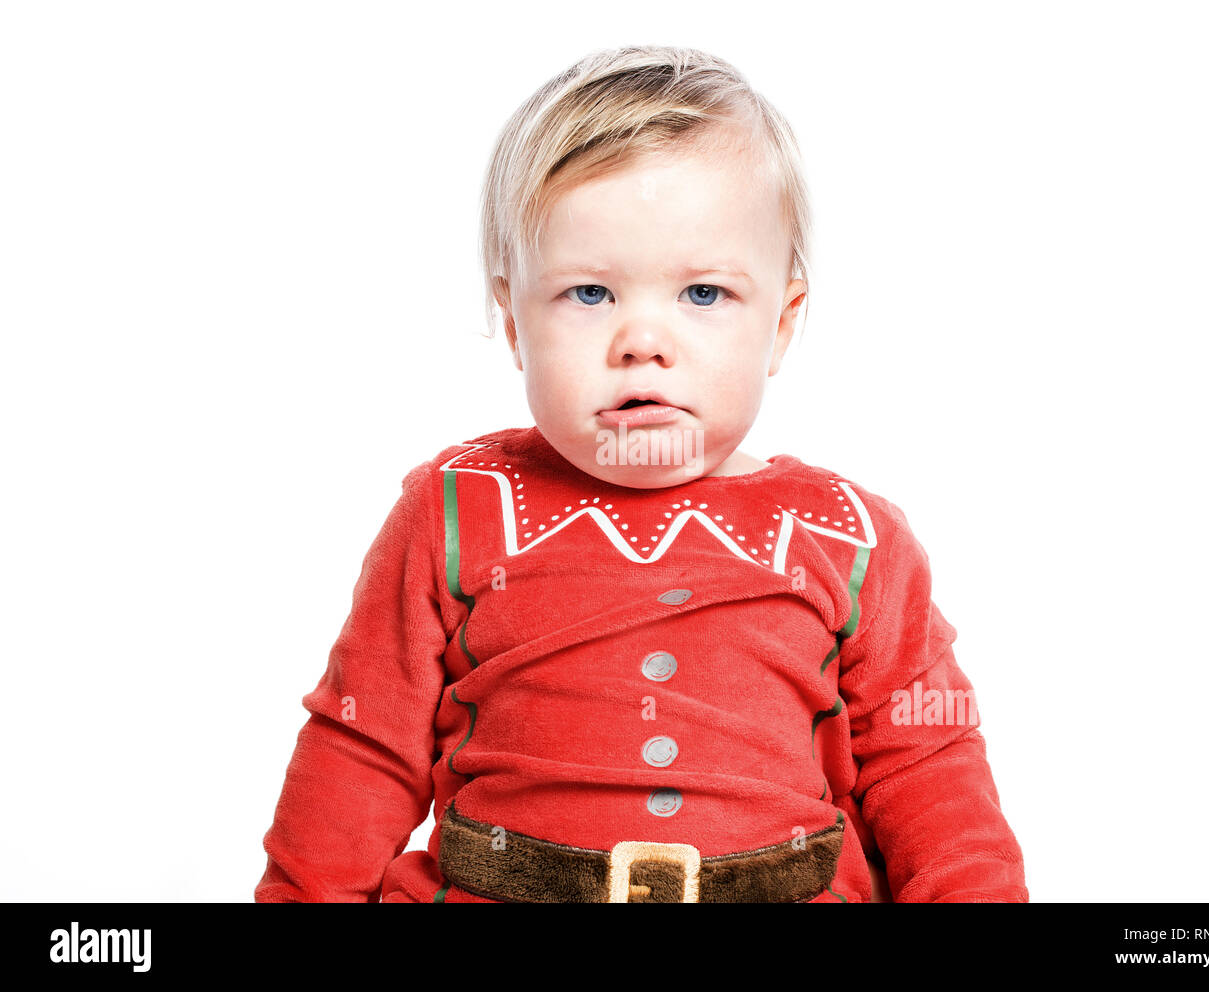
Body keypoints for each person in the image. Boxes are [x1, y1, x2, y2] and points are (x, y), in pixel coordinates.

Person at [254, 44, 1028, 903]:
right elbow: (358, 750)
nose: (642, 340)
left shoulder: (850, 537)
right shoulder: (457, 507)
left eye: (704, 294)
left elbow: (932, 768)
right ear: (513, 322)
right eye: (589, 294)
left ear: (781, 324)